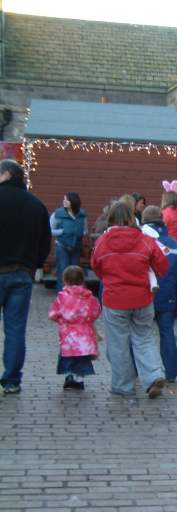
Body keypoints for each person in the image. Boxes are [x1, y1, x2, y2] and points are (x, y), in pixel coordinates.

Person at [91, 201, 169, 398]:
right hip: (142, 297)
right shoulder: (143, 240)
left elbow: (96, 267)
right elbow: (162, 265)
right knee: (144, 338)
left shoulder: (102, 241)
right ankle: (153, 375)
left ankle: (123, 385)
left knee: (118, 343)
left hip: (115, 299)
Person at [0, 159, 51, 395]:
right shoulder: (36, 205)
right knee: (16, 329)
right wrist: (35, 265)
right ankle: (11, 379)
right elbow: (45, 242)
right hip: (22, 272)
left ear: (7, 174)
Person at [141, 206, 177, 382]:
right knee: (167, 333)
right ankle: (171, 372)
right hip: (168, 294)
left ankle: (142, 371)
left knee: (141, 335)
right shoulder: (173, 244)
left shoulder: (141, 241)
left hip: (146, 294)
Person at [48, 265, 101, 391]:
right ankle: (79, 379)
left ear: (65, 280)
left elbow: (53, 314)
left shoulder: (62, 297)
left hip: (68, 335)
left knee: (68, 357)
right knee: (82, 358)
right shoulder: (90, 297)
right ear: (82, 280)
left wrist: (61, 321)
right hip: (85, 334)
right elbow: (96, 312)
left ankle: (70, 376)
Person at [50, 192, 87, 291]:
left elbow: (85, 229)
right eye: (64, 199)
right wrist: (61, 231)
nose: (64, 201)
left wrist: (80, 233)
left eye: (66, 200)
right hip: (62, 246)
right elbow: (49, 230)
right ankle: (62, 296)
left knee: (76, 273)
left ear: (73, 202)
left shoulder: (82, 215)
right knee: (63, 271)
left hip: (76, 246)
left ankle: (74, 295)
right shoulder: (57, 214)